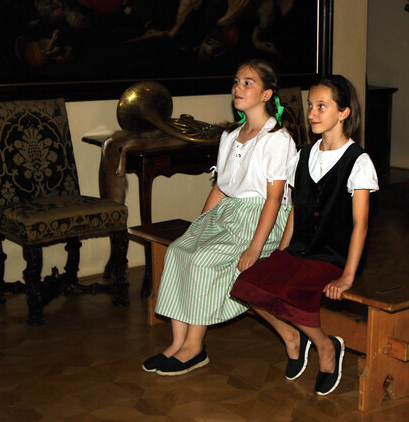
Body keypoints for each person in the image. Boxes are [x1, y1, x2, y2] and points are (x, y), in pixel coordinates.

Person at [142, 59, 298, 376]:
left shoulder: (276, 139)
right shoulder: (231, 135)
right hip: (229, 214)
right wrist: (198, 228)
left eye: (248, 82)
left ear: (266, 94)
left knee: (202, 261)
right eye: (236, 81)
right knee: (179, 251)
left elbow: (274, 199)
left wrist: (255, 248)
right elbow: (221, 188)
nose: (238, 87)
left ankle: (195, 347)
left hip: (260, 219)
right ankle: (178, 342)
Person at [230, 75, 379, 395]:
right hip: (299, 250)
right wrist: (281, 252)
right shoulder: (303, 155)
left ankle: (325, 347)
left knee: (291, 293)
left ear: (343, 112)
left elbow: (361, 225)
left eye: (322, 106)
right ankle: (292, 337)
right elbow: (297, 210)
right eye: (310, 105)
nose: (312, 113)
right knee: (246, 286)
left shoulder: (358, 161)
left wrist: (348, 276)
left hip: (332, 255)